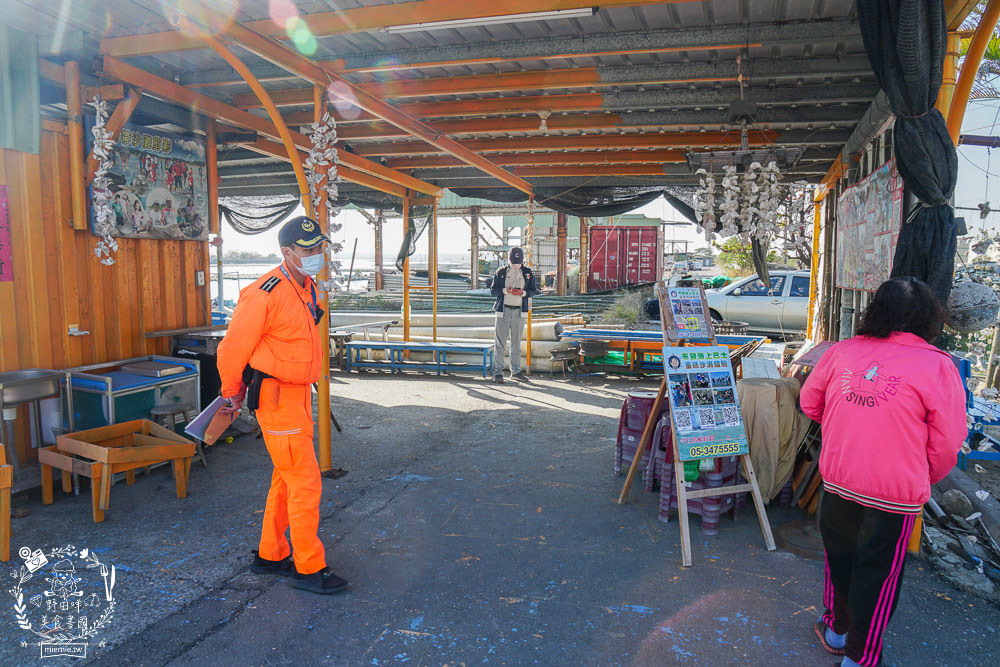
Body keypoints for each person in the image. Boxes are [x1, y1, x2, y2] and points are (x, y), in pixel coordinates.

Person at [799, 277, 967, 667]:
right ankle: (860, 657)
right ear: (928, 317)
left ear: (875, 310)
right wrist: (920, 475)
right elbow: (948, 441)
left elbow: (810, 404)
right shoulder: (938, 365)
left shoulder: (842, 351)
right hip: (895, 494)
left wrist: (848, 429)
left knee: (839, 559)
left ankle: (836, 630)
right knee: (878, 577)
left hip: (839, 479)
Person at [216, 215, 348, 596]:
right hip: (277, 398)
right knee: (305, 482)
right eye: (307, 249)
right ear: (286, 252)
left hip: (297, 395)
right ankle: (308, 566)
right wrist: (231, 392)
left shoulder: (306, 287)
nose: (316, 254)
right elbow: (231, 349)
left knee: (285, 478)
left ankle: (271, 554)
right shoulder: (264, 293)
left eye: (319, 246)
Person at [489, 246, 539, 384]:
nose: (516, 266)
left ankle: (515, 371)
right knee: (500, 343)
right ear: (509, 260)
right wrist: (506, 291)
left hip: (519, 311)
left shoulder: (528, 273)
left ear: (522, 260)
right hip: (503, 311)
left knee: (516, 343)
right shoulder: (501, 272)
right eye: (513, 263)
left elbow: (534, 290)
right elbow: (493, 290)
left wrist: (523, 293)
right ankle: (498, 372)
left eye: (518, 263)